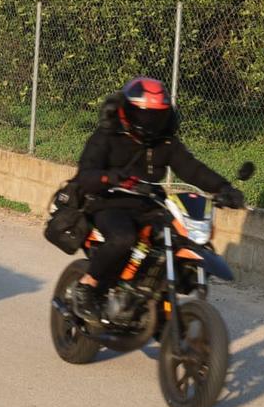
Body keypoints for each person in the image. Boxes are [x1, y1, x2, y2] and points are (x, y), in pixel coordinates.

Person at [71, 77, 244, 324]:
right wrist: (110, 177)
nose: (151, 123)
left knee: (185, 239)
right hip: (109, 203)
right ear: (129, 111)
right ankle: (87, 286)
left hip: (149, 204)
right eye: (145, 116)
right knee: (123, 238)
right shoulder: (107, 136)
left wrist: (224, 188)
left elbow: (192, 168)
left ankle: (155, 295)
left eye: (157, 116)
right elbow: (85, 175)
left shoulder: (165, 142)